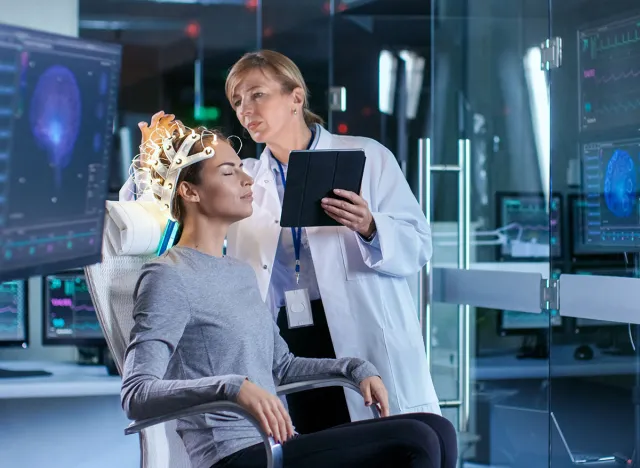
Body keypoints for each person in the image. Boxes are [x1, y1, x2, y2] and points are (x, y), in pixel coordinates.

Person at [121, 124, 457, 468]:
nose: (247, 180)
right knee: (416, 439)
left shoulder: (237, 271)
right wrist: (233, 387)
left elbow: (281, 366)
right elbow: (136, 394)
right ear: (190, 191)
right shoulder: (168, 275)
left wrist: (354, 367)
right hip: (237, 456)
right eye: (228, 171)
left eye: (241, 168)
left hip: (278, 444)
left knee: (438, 428)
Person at [221, 49, 440, 432]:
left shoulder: (366, 156)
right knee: (311, 443)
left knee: (377, 442)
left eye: (257, 94)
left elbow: (419, 245)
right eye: (237, 100)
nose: (245, 109)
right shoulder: (246, 179)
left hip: (361, 331)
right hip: (288, 337)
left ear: (296, 98)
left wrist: (372, 226)